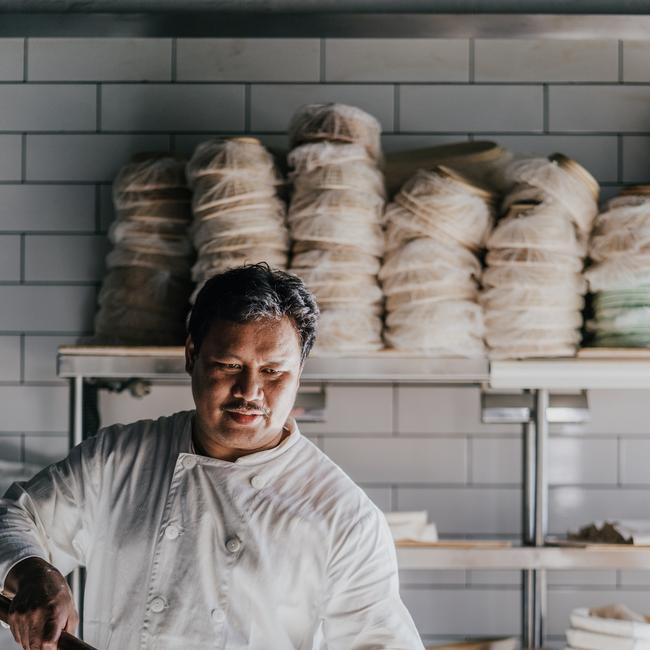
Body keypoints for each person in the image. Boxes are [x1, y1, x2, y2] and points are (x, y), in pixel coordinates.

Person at [0, 264, 425, 650]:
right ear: (192, 356)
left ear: (301, 371)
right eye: (228, 364)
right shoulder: (118, 459)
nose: (250, 392)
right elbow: (14, 517)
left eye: (274, 371)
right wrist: (34, 571)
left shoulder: (343, 517)